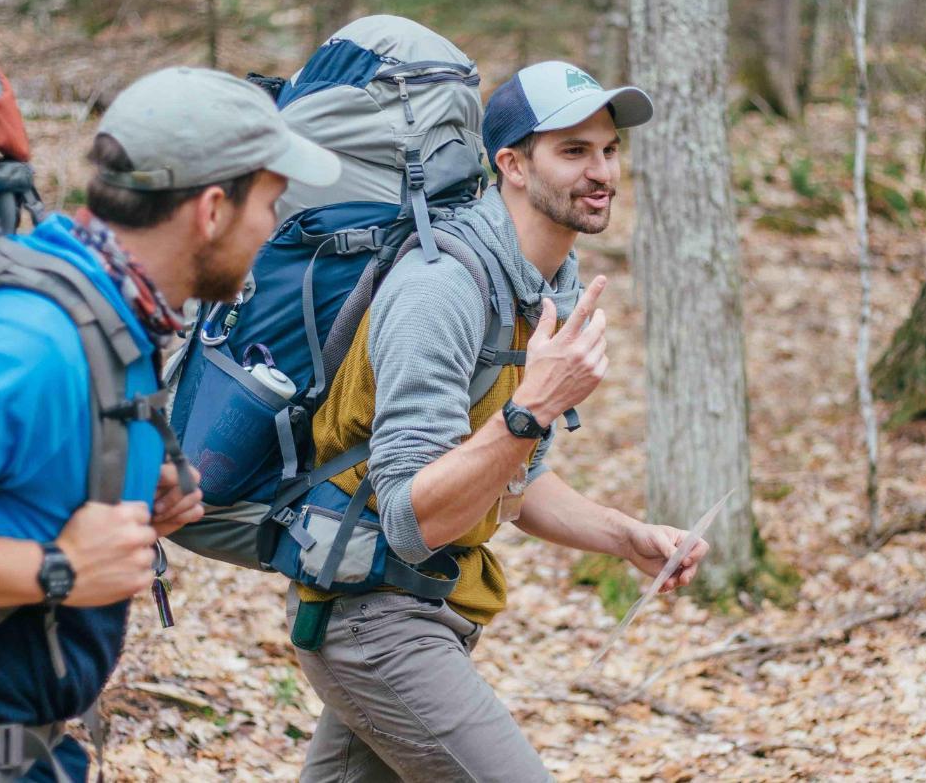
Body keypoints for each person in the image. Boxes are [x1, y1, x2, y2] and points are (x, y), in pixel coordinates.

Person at [0, 66, 340, 782]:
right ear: (212, 209)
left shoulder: (106, 313)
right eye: (272, 203)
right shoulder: (31, 342)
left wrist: (117, 481)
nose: (273, 229)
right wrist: (56, 567)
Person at [286, 60, 710, 782]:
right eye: (573, 150)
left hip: (416, 604)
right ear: (511, 164)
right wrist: (533, 407)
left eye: (609, 149)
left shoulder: (536, 284)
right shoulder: (441, 289)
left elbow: (510, 479)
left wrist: (625, 536)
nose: (601, 170)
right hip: (373, 619)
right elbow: (412, 516)